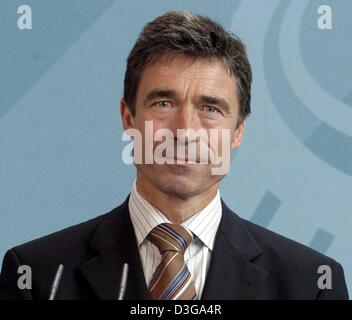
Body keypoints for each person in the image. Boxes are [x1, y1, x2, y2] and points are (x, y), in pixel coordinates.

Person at [0, 11, 348, 300]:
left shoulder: (312, 283)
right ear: (128, 118)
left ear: (238, 130)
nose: (185, 131)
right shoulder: (36, 274)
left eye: (210, 108)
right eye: (163, 103)